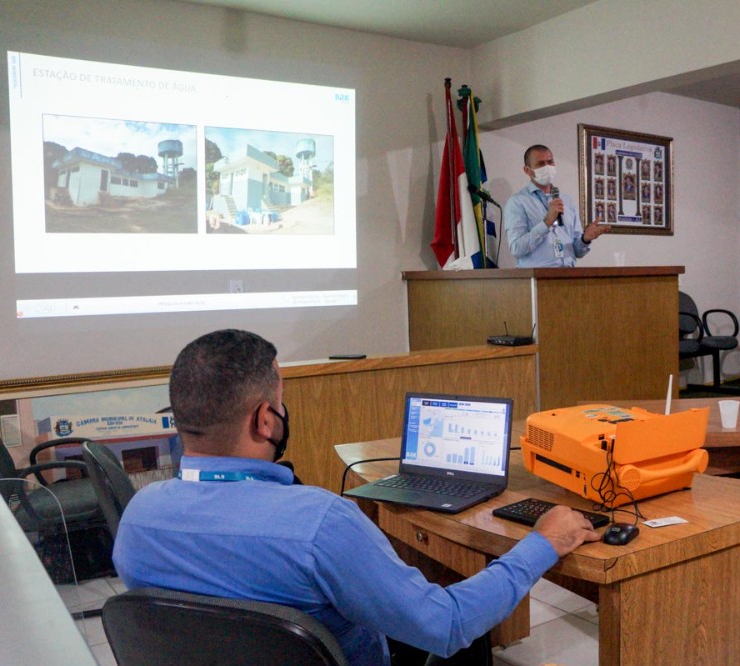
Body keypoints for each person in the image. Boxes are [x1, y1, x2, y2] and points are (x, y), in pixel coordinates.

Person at [113, 329, 600, 665]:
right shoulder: (321, 522)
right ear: (264, 419)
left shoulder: (137, 520)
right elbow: (448, 623)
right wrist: (543, 543)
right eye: (280, 402)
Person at [505, 144, 610, 267]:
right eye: (540, 164)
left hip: (567, 274)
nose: (547, 167)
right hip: (538, 275)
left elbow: (577, 252)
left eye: (550, 162)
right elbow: (516, 249)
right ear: (527, 170)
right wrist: (546, 223)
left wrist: (585, 238)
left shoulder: (566, 200)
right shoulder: (518, 202)